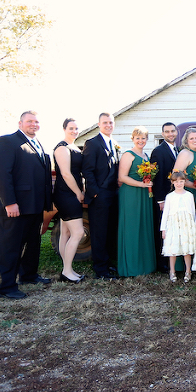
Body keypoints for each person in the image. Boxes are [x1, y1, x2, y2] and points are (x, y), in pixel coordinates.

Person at [0, 111, 52, 299]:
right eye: (29, 121)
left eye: (36, 121)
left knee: (33, 243)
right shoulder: (7, 142)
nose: (33, 124)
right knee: (11, 246)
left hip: (34, 206)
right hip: (15, 207)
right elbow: (2, 175)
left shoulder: (37, 144)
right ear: (20, 123)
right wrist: (9, 203)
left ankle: (29, 275)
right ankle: (7, 287)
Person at [82, 112, 120, 280]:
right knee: (99, 232)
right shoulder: (92, 143)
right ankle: (100, 269)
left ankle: (107, 263)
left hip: (113, 195)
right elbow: (87, 170)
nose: (108, 125)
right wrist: (95, 192)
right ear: (99, 124)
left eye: (111, 122)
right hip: (99, 196)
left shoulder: (115, 144)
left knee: (110, 231)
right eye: (105, 122)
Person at [116, 126, 157, 277]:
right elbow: (122, 177)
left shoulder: (146, 155)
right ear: (133, 139)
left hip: (144, 194)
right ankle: (131, 267)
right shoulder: (128, 154)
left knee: (143, 226)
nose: (141, 140)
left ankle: (145, 265)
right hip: (131, 194)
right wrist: (141, 184)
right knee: (132, 227)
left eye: (143, 138)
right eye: (138, 138)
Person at [52, 118, 85, 283]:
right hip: (66, 194)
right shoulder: (62, 148)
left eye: (76, 128)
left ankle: (68, 269)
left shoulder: (74, 147)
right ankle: (66, 272)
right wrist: (78, 192)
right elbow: (65, 174)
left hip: (71, 193)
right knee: (78, 232)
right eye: (71, 128)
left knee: (65, 233)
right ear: (64, 129)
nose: (74, 131)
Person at [150, 122, 179, 272]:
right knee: (163, 229)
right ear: (163, 134)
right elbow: (157, 177)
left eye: (172, 131)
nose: (170, 134)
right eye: (167, 132)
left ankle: (170, 260)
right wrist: (160, 199)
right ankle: (162, 264)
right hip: (163, 198)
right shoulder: (158, 151)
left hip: (174, 196)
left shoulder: (177, 149)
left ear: (176, 132)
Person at [161, 171, 196, 283]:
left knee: (186, 249)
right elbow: (166, 213)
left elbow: (192, 212)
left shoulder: (189, 195)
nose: (179, 184)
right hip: (173, 224)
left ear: (185, 182)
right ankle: (172, 271)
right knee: (173, 249)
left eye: (181, 181)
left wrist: (194, 227)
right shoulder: (170, 196)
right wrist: (163, 229)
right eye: (176, 182)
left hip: (186, 224)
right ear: (172, 182)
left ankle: (188, 271)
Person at [173, 127, 196, 209]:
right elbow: (176, 176)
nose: (195, 140)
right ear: (186, 141)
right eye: (191, 138)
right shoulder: (185, 153)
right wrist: (195, 186)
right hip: (189, 193)